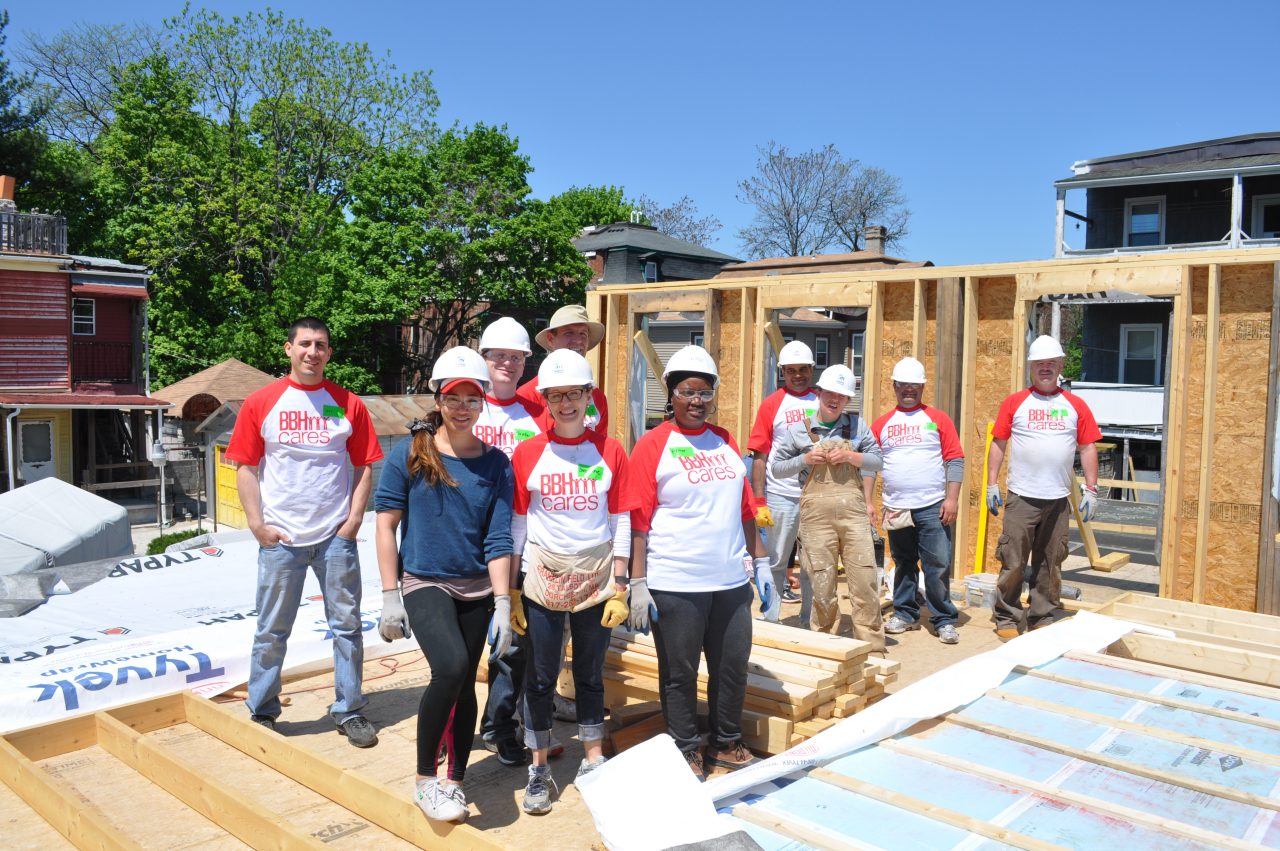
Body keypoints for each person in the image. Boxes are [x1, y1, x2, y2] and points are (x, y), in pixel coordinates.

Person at [373, 346, 517, 823]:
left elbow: (498, 538)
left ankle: (454, 782)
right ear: (438, 398)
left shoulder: (496, 464)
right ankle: (424, 779)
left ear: (483, 404)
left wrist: (502, 602)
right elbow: (386, 524)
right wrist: (390, 595)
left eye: (471, 398)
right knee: (451, 666)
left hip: (477, 586)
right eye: (453, 397)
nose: (462, 407)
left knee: (463, 684)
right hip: (424, 581)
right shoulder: (410, 454)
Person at [226, 316, 382, 747]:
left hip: (335, 538)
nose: (313, 352)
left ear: (329, 353)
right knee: (272, 629)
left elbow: (364, 465)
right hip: (282, 540)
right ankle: (262, 710)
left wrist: (352, 523)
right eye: (305, 344)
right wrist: (257, 525)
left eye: (321, 345)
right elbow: (245, 466)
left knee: (347, 626)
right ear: (288, 349)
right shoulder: (262, 402)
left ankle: (349, 709)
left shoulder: (347, 403)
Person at [625, 345, 774, 779]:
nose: (697, 402)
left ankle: (727, 742)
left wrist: (761, 564)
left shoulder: (725, 440)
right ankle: (686, 748)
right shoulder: (654, 445)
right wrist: (638, 580)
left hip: (729, 581)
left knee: (731, 667)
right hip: (676, 582)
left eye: (705, 393)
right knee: (680, 672)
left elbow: (745, 510)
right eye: (688, 392)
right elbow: (639, 520)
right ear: (671, 395)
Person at [510, 349, 634, 814]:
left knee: (588, 674)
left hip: (597, 574)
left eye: (574, 394)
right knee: (540, 677)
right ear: (544, 399)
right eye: (556, 395)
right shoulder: (527, 453)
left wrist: (621, 583)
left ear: (588, 396)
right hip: (543, 575)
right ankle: (538, 767)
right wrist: (517, 587)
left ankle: (593, 756)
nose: (566, 404)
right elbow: (520, 522)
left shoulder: (610, 450)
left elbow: (620, 516)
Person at [986, 335, 1101, 639]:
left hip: (1058, 499)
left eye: (1051, 363)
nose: (1046, 368)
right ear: (1031, 368)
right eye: (1040, 364)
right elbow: (998, 443)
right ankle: (1007, 616)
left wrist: (1092, 489)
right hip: (1021, 497)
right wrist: (991, 484)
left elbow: (1088, 447)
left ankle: (1042, 615)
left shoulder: (1075, 405)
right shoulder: (1015, 402)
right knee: (1012, 561)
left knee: (1050, 562)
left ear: (1061, 365)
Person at [472, 316, 544, 766]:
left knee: (512, 645)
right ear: (484, 359)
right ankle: (458, 727)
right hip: (466, 538)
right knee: (461, 647)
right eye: (499, 355)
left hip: (517, 541)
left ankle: (500, 727)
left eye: (516, 357)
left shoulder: (537, 416)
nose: (507, 364)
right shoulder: (464, 405)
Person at [771, 365, 884, 650]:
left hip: (854, 514)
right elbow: (777, 468)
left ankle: (871, 650)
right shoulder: (799, 430)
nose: (835, 400)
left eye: (842, 396)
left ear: (848, 400)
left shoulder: (858, 427)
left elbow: (878, 461)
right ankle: (825, 649)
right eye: (830, 394)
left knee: (865, 583)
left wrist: (850, 455)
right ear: (818, 393)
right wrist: (804, 460)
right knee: (822, 587)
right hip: (816, 519)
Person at [873, 357, 965, 645]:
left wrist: (952, 499)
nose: (908, 390)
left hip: (932, 505)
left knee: (937, 564)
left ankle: (944, 619)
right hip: (897, 506)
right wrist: (867, 501)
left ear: (923, 386)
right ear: (894, 387)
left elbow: (955, 459)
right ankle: (905, 613)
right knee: (903, 562)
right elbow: (868, 466)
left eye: (914, 385)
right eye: (903, 385)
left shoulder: (938, 419)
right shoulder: (882, 424)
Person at [747, 340, 819, 622]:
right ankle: (772, 617)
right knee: (776, 560)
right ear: (783, 372)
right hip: (781, 496)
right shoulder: (771, 405)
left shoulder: (822, 401)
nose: (798, 375)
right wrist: (759, 499)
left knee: (814, 564)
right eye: (791, 370)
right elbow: (760, 455)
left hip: (815, 496)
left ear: (812, 369)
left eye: (803, 369)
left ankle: (810, 621)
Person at [517, 304, 610, 433]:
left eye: (583, 334)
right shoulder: (527, 396)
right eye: (569, 333)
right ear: (550, 339)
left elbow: (601, 448)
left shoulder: (597, 397)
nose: (578, 341)